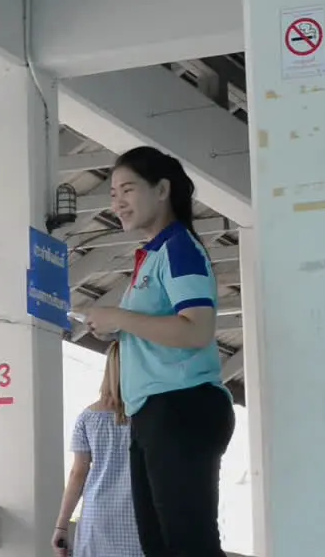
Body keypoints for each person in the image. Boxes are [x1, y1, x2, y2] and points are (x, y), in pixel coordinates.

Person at [82, 146, 235, 557]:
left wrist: (119, 317)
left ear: (162, 189)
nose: (117, 202)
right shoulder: (152, 256)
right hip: (152, 411)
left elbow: (196, 329)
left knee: (189, 544)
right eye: (113, 194)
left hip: (182, 405)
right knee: (159, 547)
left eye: (128, 189)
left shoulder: (179, 248)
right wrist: (119, 327)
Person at [52, 341, 141, 557]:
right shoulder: (148, 415)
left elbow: (78, 473)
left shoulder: (87, 418)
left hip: (97, 517)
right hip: (139, 516)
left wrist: (61, 526)